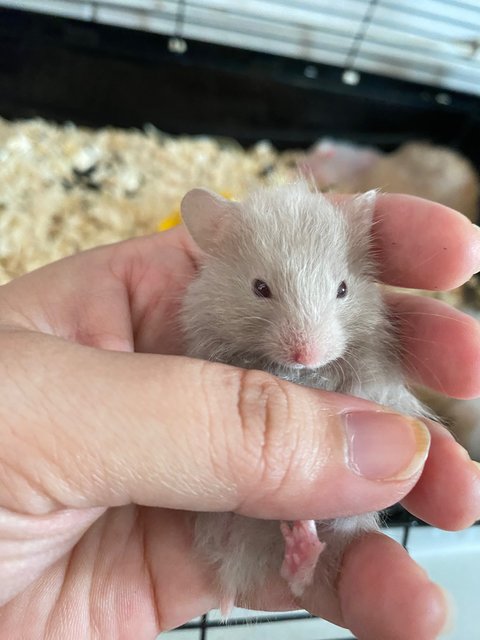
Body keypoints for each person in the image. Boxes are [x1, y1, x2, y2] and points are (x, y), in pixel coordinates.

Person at [0, 193, 479, 640]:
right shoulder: (200, 313)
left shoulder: (364, 326)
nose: (306, 349)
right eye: (262, 289)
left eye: (340, 290)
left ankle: (306, 539)